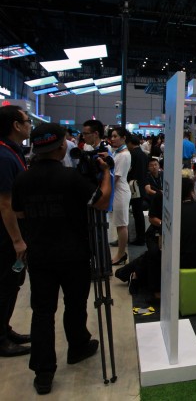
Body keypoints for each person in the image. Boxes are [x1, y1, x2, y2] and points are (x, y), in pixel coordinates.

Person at [12, 123, 112, 394]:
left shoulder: (22, 179)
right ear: (60, 148)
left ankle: (43, 372)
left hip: (40, 255)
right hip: (74, 253)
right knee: (75, 303)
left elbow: (19, 214)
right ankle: (77, 346)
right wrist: (105, 173)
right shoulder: (70, 178)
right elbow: (101, 201)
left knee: (42, 312)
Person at [0, 106, 32, 357]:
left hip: (12, 232)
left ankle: (5, 329)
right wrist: (17, 240)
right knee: (5, 284)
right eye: (27, 121)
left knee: (13, 284)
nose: (29, 125)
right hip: (6, 236)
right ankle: (1, 339)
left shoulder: (13, 152)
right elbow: (5, 203)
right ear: (16, 125)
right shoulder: (4, 156)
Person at [109, 127, 131, 265]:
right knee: (119, 224)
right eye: (111, 136)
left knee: (122, 224)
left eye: (115, 136)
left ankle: (121, 254)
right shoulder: (118, 152)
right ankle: (120, 254)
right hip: (118, 190)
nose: (112, 139)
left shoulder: (124, 155)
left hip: (120, 191)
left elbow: (116, 177)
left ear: (123, 138)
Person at [126, 134, 148, 246]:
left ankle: (139, 238)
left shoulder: (132, 154)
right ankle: (141, 237)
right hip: (141, 186)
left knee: (136, 213)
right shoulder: (143, 154)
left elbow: (129, 171)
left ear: (130, 143)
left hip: (133, 186)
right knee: (138, 213)